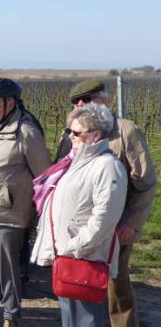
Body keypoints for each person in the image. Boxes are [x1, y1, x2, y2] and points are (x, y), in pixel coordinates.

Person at [54, 79, 157, 327]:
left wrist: (131, 222)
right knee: (80, 283)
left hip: (113, 225)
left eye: (86, 99)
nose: (79, 105)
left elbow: (145, 182)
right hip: (76, 226)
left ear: (104, 100)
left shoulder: (125, 131)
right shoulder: (71, 131)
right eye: (76, 102)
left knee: (116, 285)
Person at [32, 103, 127, 327]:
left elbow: (104, 217)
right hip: (67, 255)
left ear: (96, 134)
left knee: (86, 318)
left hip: (85, 256)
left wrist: (76, 246)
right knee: (70, 316)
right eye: (69, 131)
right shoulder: (77, 161)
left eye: (76, 132)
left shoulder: (107, 167)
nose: (70, 136)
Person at [0, 78, 51, 327]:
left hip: (9, 213)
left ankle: (10, 316)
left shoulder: (25, 132)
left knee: (8, 268)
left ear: (10, 103)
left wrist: (37, 212)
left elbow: (44, 175)